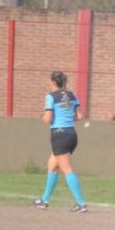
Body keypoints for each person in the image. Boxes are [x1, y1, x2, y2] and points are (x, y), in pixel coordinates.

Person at [32, 71, 87, 213]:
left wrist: (43, 117)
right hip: (71, 134)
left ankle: (81, 203)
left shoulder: (51, 97)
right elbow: (79, 116)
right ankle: (44, 201)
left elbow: (48, 119)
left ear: (53, 83)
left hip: (59, 135)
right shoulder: (71, 95)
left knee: (66, 169)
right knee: (52, 165)